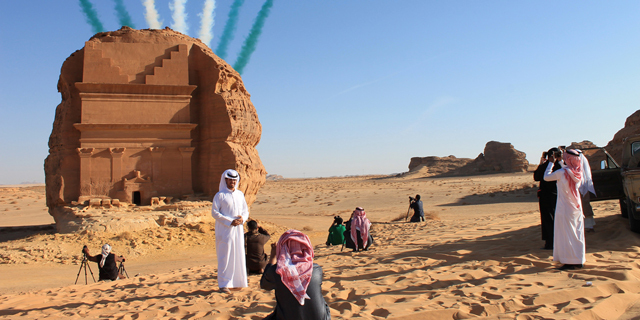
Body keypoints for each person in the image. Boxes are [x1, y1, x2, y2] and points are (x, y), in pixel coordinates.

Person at [260, 230, 331, 320]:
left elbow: (264, 285)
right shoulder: (315, 269)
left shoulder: (277, 271)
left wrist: (273, 257)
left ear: (282, 248)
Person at [543, 148, 586, 270]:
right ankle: (579, 259)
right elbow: (568, 171)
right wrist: (561, 162)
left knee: (566, 234)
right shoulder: (578, 172)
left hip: (564, 207)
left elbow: (546, 177)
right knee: (577, 234)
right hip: (576, 207)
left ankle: (569, 261)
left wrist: (551, 162)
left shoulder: (562, 173)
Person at [211, 169, 250, 293]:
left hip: (238, 229)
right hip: (225, 231)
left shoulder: (240, 194)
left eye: (234, 180)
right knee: (225, 256)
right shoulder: (220, 195)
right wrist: (229, 221)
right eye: (230, 180)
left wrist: (242, 219)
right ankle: (224, 284)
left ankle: (238, 282)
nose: (232, 182)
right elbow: (215, 213)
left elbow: (245, 210)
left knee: (238, 254)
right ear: (225, 180)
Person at [533, 148, 562, 250]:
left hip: (546, 197)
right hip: (558, 196)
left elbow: (536, 177)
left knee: (548, 219)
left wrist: (542, 164)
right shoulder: (561, 166)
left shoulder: (546, 166)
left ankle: (550, 243)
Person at [576, 149, 597, 232]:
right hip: (579, 186)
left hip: (583, 186)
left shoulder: (581, 160)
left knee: (585, 205)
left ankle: (589, 226)